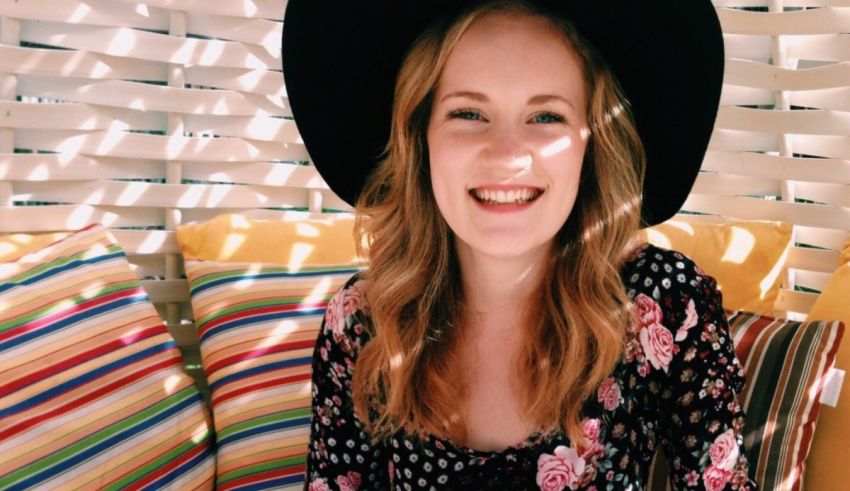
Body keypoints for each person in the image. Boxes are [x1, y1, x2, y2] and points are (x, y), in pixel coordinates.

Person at [282, 0, 758, 489]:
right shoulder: (363, 322)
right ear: (419, 137)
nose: (507, 156)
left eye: (546, 116)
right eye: (468, 113)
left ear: (592, 141)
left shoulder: (664, 303)